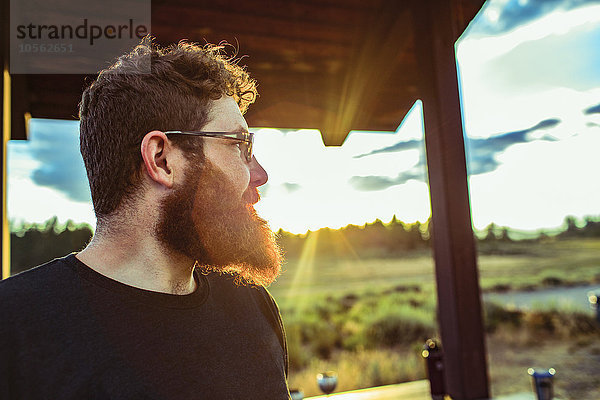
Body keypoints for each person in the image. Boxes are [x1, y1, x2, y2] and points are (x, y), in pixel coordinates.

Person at [0, 38, 290, 399]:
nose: (259, 174)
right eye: (238, 145)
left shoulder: (252, 308)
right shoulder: (13, 325)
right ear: (161, 159)